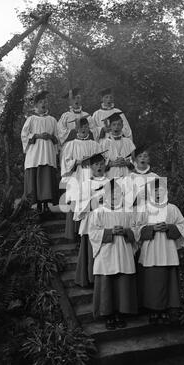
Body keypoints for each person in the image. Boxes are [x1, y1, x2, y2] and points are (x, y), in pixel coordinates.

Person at [134, 178, 184, 324]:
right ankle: (152, 310)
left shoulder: (172, 209)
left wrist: (170, 228)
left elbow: (183, 227)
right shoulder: (144, 208)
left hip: (167, 250)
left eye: (161, 190)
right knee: (151, 281)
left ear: (166, 192)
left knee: (167, 280)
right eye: (155, 191)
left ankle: (165, 310)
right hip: (151, 250)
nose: (158, 193)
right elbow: (136, 229)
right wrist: (151, 229)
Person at [88, 179, 138, 330]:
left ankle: (120, 313)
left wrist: (126, 232)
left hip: (122, 252)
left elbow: (136, 230)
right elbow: (92, 233)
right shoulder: (98, 213)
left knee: (122, 284)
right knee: (106, 284)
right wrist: (110, 232)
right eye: (111, 193)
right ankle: (107, 315)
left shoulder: (127, 213)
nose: (114, 195)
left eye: (117, 192)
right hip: (106, 253)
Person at [61, 115, 101, 240]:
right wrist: (77, 161)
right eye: (81, 127)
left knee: (91, 202)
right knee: (76, 202)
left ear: (89, 128)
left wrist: (93, 161)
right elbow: (65, 162)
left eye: (86, 126)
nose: (84, 129)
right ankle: (76, 235)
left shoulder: (95, 145)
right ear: (76, 129)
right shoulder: (70, 145)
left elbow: (102, 161)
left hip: (91, 176)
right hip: (77, 176)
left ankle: (90, 233)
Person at [74, 151, 109, 287]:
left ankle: (104, 280)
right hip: (91, 222)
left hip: (106, 221)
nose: (99, 166)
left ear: (105, 165)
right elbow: (79, 208)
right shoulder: (85, 184)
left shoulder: (111, 182)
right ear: (91, 167)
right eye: (96, 164)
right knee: (90, 250)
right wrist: (96, 201)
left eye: (101, 163)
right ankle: (90, 279)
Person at [21, 90, 59, 214]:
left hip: (47, 153)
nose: (44, 104)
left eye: (45, 102)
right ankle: (37, 206)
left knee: (46, 179)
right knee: (35, 179)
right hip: (35, 154)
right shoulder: (31, 119)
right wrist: (36, 135)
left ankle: (46, 205)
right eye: (41, 102)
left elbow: (58, 137)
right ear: (36, 105)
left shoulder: (52, 120)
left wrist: (51, 137)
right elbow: (24, 135)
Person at [98, 111, 136, 179]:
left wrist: (127, 163)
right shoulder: (104, 143)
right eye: (114, 124)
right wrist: (111, 164)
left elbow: (134, 161)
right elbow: (99, 164)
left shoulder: (128, 142)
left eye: (119, 124)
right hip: (111, 175)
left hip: (126, 175)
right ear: (110, 126)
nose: (116, 127)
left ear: (122, 126)